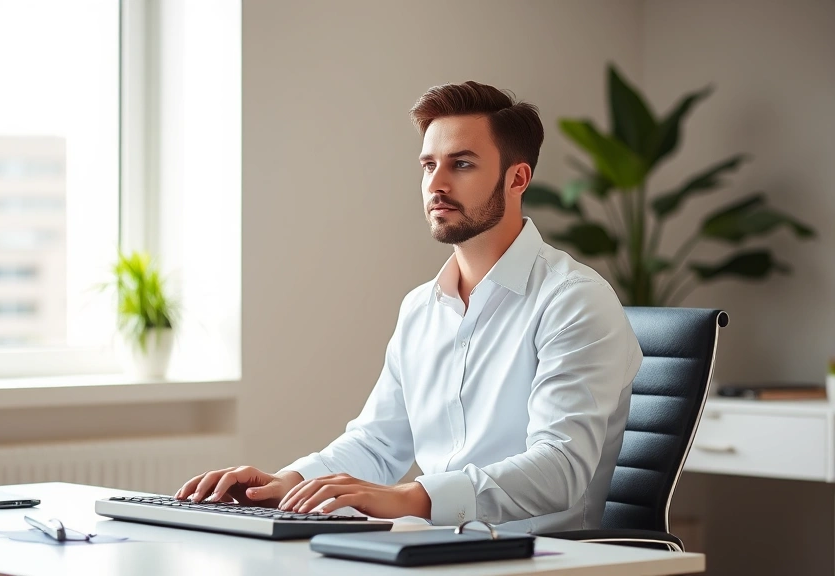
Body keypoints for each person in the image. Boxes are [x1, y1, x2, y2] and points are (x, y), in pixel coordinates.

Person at [175, 81, 642, 533]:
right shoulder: (422, 307)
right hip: (431, 546)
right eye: (427, 165)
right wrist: (288, 483)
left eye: (461, 164)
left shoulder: (575, 300)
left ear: (517, 178)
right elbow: (378, 443)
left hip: (544, 557)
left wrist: (411, 497)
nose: (436, 184)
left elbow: (560, 469)